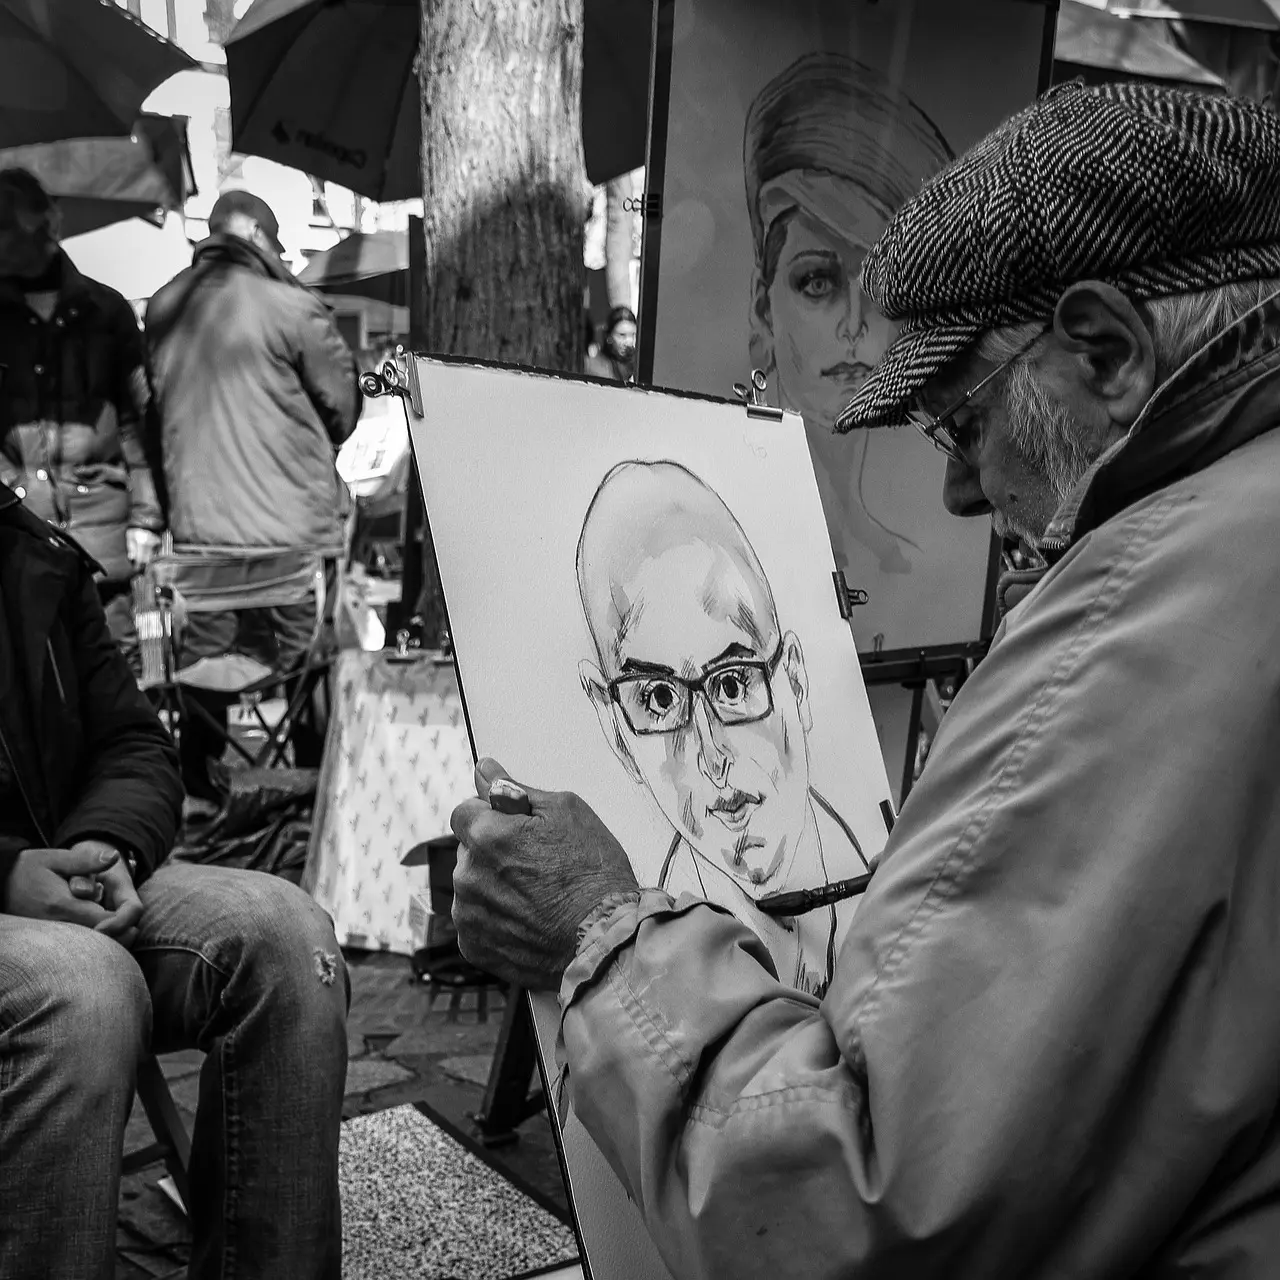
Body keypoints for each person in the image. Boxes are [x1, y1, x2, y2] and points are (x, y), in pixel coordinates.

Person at [451, 82, 1280, 1276]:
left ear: (1102, 346)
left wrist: (603, 936)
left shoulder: (1138, 618)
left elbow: (853, 1212)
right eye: (654, 694)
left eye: (961, 419)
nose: (954, 491)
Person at [0, 479, 349, 1277]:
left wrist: (110, 847)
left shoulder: (31, 550)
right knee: (83, 990)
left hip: (73, 866)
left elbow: (133, 741)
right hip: (30, 913)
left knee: (289, 938)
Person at [577, 460, 867, 995]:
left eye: (733, 684)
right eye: (658, 698)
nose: (710, 755)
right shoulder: (655, 968)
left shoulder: (880, 882)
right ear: (615, 727)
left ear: (795, 682)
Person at [145, 189, 362, 797]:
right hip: (291, 544)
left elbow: (149, 415)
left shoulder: (163, 308)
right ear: (262, 238)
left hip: (200, 544)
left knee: (206, 665)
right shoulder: (291, 306)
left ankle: (198, 778)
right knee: (305, 666)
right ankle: (314, 784)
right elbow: (342, 410)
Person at [745, 53, 953, 578]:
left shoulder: (905, 553)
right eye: (818, 281)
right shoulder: (739, 535)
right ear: (762, 307)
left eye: (884, 288)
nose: (855, 323)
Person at [0, 168, 164, 672]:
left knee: (113, 673)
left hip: (104, 533)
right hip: (18, 527)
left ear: (41, 227)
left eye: (5, 226)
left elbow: (139, 422)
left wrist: (147, 517)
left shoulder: (105, 311)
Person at [585, 305, 637, 383]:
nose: (629, 342)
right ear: (608, 337)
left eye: (633, 335)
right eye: (622, 335)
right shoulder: (594, 368)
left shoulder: (639, 367)